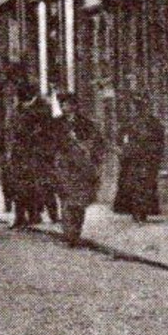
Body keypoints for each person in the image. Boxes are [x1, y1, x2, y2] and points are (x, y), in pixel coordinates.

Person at [4, 83, 57, 228]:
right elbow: (12, 130)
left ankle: (41, 215)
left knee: (39, 186)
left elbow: (49, 131)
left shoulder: (42, 108)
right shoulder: (18, 109)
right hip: (19, 153)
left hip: (36, 153)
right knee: (18, 186)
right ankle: (21, 217)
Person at [56, 93, 105, 249]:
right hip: (63, 166)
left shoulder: (86, 124)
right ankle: (69, 233)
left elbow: (97, 143)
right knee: (66, 199)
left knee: (79, 201)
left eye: (68, 104)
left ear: (75, 106)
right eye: (63, 105)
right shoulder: (57, 124)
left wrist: (94, 160)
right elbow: (50, 144)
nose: (65, 108)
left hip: (80, 167)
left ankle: (76, 231)